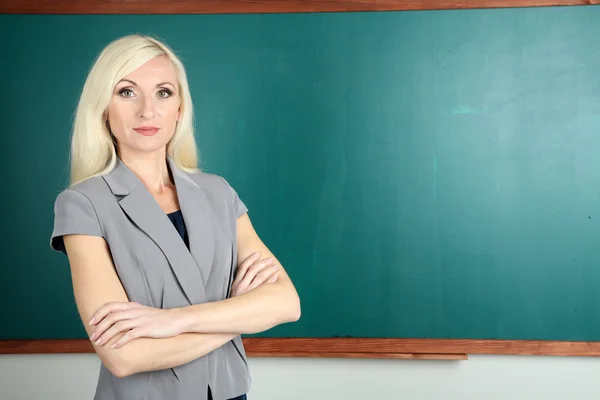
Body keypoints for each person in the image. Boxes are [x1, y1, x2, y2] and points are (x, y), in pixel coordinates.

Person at [49, 34, 301, 400]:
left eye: (163, 92)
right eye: (127, 92)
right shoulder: (82, 203)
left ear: (180, 108)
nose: (147, 111)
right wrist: (237, 314)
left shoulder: (218, 192)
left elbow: (286, 303)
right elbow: (123, 355)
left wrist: (172, 321)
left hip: (230, 394)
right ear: (104, 107)